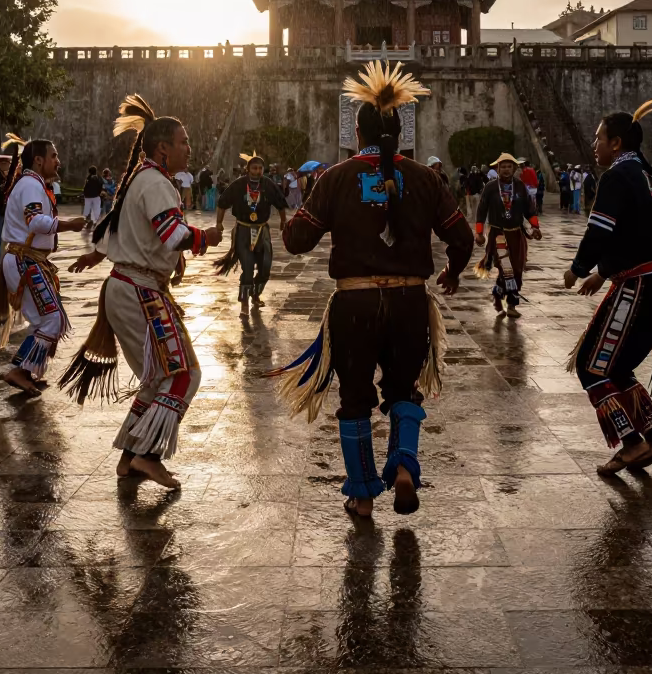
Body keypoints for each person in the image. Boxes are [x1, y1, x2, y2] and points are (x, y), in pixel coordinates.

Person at [268, 60, 473, 518]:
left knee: (355, 397)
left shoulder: (335, 178)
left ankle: (361, 494)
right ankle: (402, 466)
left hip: (355, 301)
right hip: (409, 300)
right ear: (399, 134)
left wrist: (302, 209)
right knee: (404, 390)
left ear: (356, 134)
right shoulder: (426, 179)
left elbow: (297, 242)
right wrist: (454, 272)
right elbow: (463, 239)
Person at [61, 95, 222, 488]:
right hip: (139, 292)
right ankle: (148, 456)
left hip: (130, 287)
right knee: (184, 375)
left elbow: (123, 229)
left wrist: (100, 255)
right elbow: (173, 235)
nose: (189, 148)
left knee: (156, 379)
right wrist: (207, 236)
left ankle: (130, 455)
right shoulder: (156, 183)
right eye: (183, 141)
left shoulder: (144, 179)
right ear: (162, 147)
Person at [563, 99, 652, 475]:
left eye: (599, 137)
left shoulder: (617, 175)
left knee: (591, 366)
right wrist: (606, 272)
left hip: (641, 286)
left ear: (616, 143)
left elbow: (601, 229)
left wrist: (579, 267)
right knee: (617, 367)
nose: (594, 143)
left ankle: (631, 443)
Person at [0, 136, 87, 396]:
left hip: (27, 260)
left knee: (42, 319)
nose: (58, 162)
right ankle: (19, 370)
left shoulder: (32, 184)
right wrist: (68, 224)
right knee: (53, 319)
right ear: (38, 160)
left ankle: (29, 371)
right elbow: (34, 221)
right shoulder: (32, 185)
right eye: (54, 156)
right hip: (25, 261)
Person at [215, 152, 287, 314]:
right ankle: (244, 302)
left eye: (260, 168)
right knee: (247, 269)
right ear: (248, 169)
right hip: (243, 230)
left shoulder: (268, 185)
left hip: (262, 230)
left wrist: (283, 221)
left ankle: (256, 294)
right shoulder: (239, 184)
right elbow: (222, 203)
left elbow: (281, 204)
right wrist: (219, 223)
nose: (258, 171)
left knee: (265, 268)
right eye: (254, 168)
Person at [474, 153, 542, 318]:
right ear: (497, 169)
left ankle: (500, 296)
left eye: (509, 166)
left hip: (516, 235)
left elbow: (529, 209)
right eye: (502, 166)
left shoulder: (520, 187)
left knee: (517, 270)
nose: (505, 169)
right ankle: (510, 305)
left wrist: (535, 227)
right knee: (506, 270)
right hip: (498, 235)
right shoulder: (490, 187)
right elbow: (481, 211)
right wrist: (479, 233)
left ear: (514, 168)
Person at [82, 165, 103, 230]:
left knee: (87, 208)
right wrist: (99, 193)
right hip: (96, 196)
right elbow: (100, 185)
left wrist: (85, 194)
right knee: (96, 209)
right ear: (95, 171)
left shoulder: (88, 178)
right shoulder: (98, 178)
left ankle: (88, 220)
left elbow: (85, 187)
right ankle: (95, 221)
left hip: (88, 196)